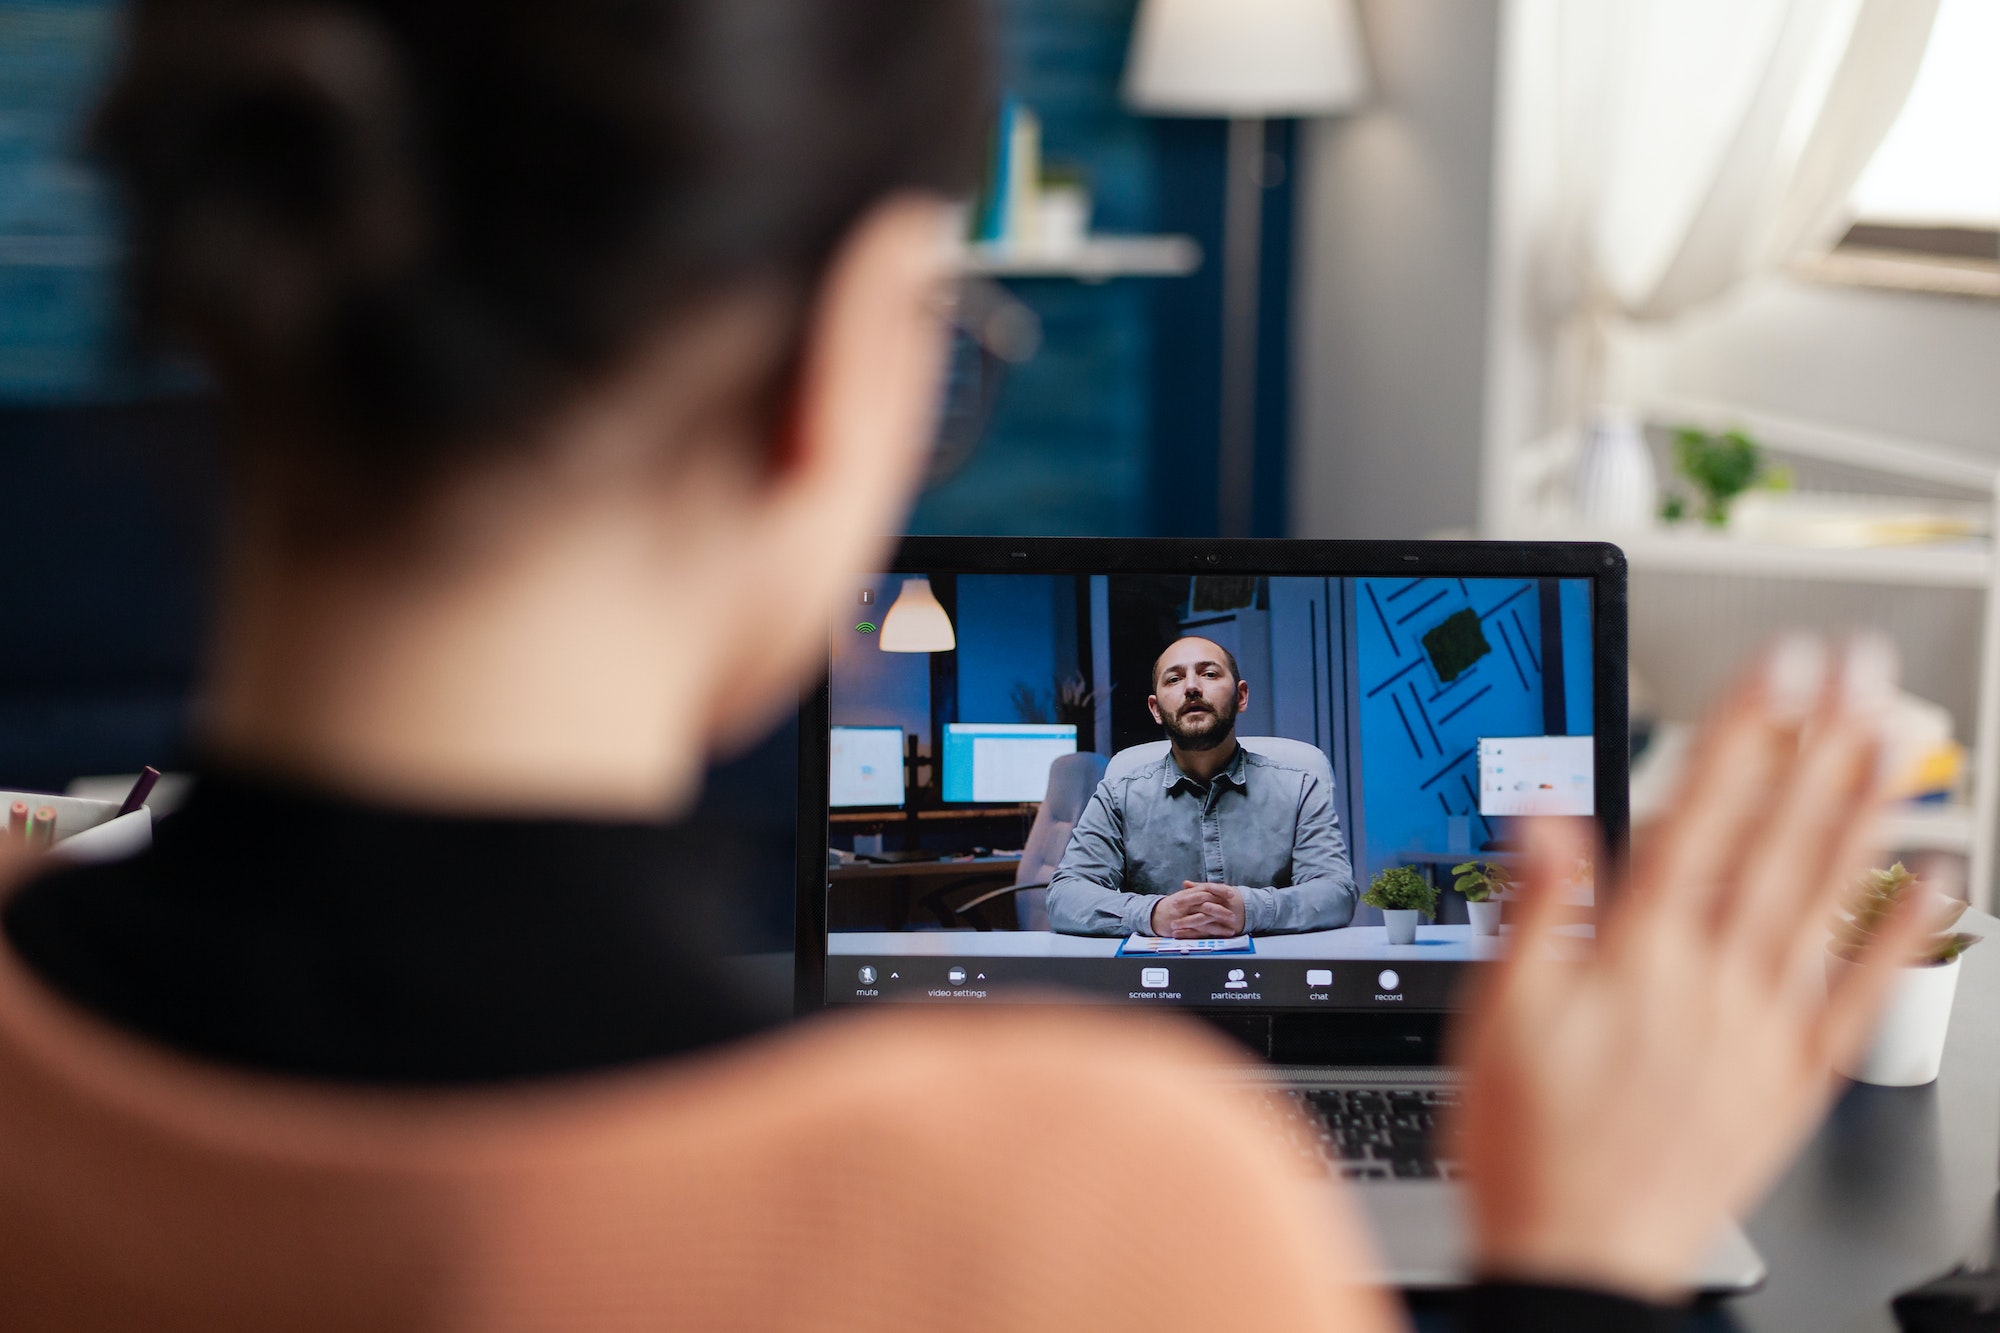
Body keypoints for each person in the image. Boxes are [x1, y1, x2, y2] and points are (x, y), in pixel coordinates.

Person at [0, 0, 1931, 1327]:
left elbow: (1257, 889)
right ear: (840, 370)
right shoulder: (1079, 1213)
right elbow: (1077, 894)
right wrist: (1572, 1259)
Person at [1044, 634, 1357, 937]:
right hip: (1157, 980)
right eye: (1174, 679)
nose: (1192, 687)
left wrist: (1250, 911)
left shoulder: (1299, 787)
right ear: (1155, 709)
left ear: (1241, 696)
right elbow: (1064, 896)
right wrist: (1152, 915)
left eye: (1208, 673)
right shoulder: (1118, 795)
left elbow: (1336, 893)